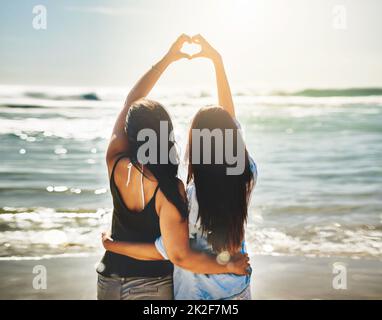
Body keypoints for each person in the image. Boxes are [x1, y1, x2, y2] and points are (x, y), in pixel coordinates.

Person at [102, 34, 256, 300]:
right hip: (236, 288)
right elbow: (230, 122)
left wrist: (114, 246)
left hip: (186, 293)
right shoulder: (246, 175)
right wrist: (217, 62)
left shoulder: (187, 196)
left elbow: (172, 252)